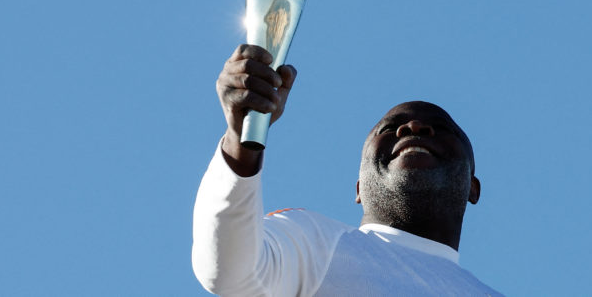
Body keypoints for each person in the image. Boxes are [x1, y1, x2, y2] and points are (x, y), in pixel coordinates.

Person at [192, 44, 502, 296]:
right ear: (359, 189)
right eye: (390, 128)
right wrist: (242, 139)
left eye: (440, 128)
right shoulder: (313, 242)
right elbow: (228, 271)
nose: (414, 127)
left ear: (473, 188)